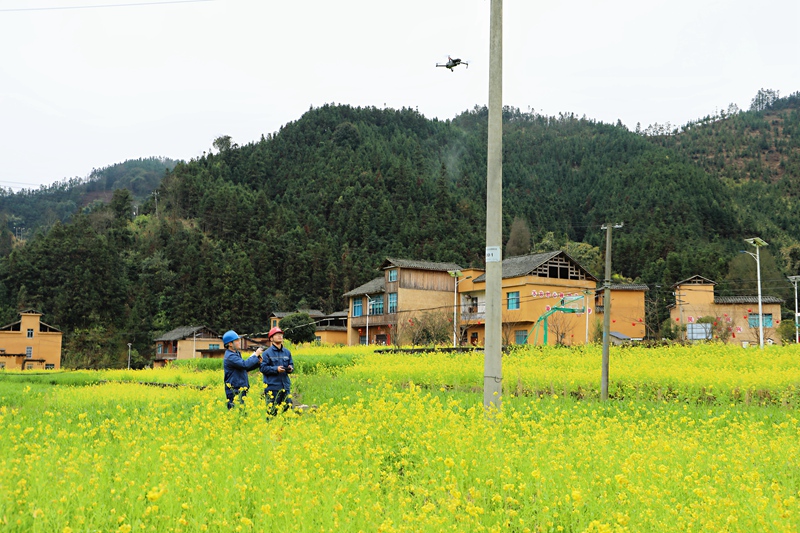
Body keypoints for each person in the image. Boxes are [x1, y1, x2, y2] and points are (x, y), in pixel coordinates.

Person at [222, 330, 263, 409]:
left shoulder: (236, 354)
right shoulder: (230, 356)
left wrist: (258, 362)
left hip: (240, 389)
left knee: (242, 413)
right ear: (230, 344)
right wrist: (256, 354)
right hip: (234, 390)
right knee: (235, 413)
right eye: (237, 340)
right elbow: (245, 365)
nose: (239, 342)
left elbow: (244, 368)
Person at [260, 326, 294, 415]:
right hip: (272, 388)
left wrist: (290, 368)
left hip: (285, 387)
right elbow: (263, 368)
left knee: (288, 413)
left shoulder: (287, 352)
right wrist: (276, 369)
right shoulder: (267, 353)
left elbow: (291, 364)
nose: (280, 336)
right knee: (272, 414)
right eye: (277, 334)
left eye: (281, 334)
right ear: (271, 339)